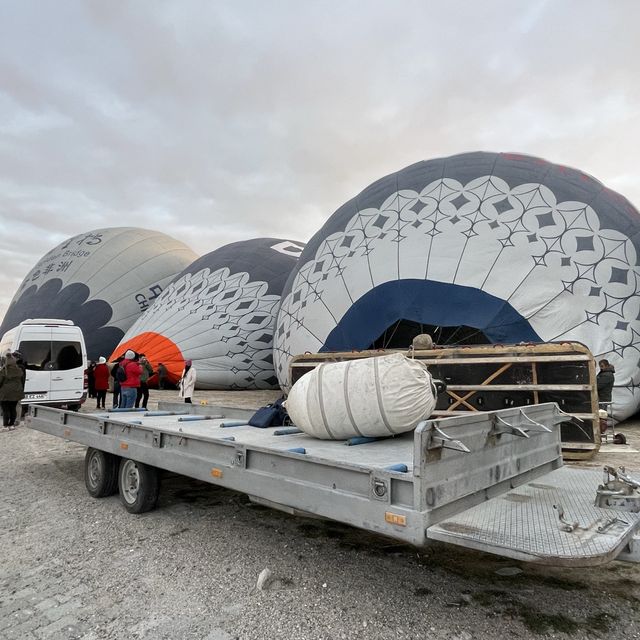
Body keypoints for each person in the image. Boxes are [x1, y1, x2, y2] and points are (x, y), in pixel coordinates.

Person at [0, 353, 26, 429]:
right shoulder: (19, 370)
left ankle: (5, 425)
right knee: (12, 409)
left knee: (5, 410)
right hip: (16, 393)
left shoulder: (4, 371)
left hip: (5, 394)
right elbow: (22, 381)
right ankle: (11, 425)